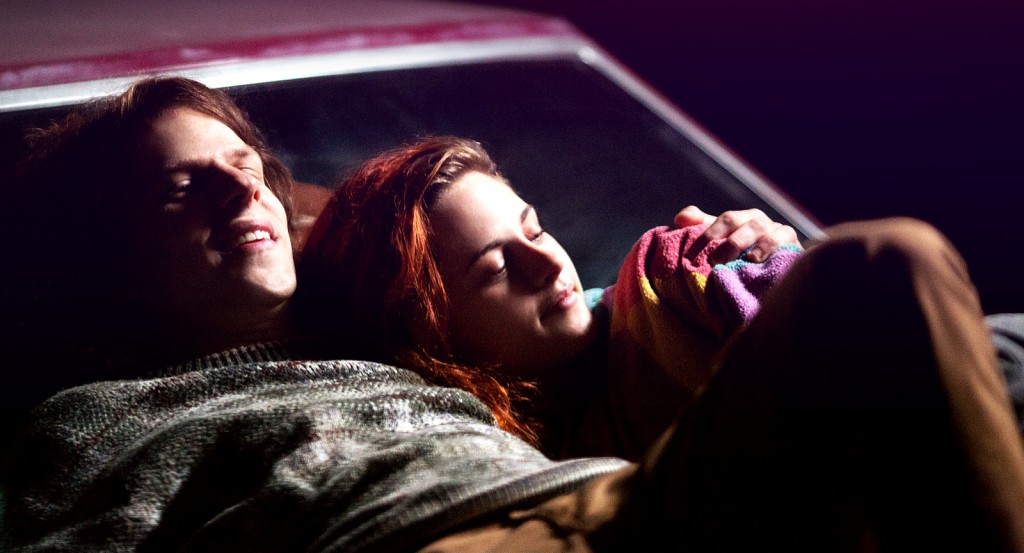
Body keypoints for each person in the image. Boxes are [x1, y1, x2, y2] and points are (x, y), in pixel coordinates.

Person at [2, 77, 1023, 552]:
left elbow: (575, 326)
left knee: (883, 269)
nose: (242, 191)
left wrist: (739, 258)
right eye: (184, 189)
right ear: (111, 259)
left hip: (609, 506)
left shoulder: (388, 336)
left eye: (243, 165)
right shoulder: (91, 417)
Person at [295, 136, 804, 458]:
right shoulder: (478, 457)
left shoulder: (668, 291)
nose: (548, 264)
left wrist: (790, 273)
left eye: (534, 231)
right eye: (496, 269)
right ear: (427, 335)